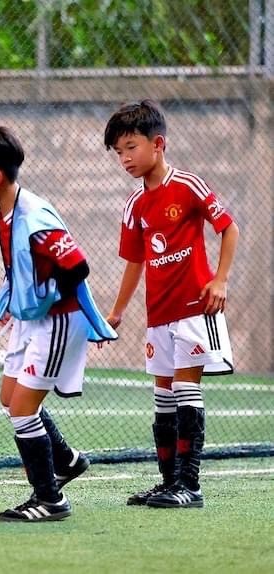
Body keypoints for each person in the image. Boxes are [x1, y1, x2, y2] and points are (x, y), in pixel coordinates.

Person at [0, 126, 117, 522]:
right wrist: (19, 299)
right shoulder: (6, 213)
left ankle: (50, 499)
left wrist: (46, 299)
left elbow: (76, 266)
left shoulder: (33, 217)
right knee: (9, 398)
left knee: (23, 408)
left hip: (56, 321)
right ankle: (68, 460)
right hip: (32, 321)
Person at [104, 100, 239, 509]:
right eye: (118, 152)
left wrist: (220, 280)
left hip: (195, 309)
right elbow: (134, 262)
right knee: (163, 398)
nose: (125, 158)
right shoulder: (134, 205)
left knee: (184, 389)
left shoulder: (188, 186)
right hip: (157, 315)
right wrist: (117, 311)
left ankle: (190, 485)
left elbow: (228, 228)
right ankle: (168, 483)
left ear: (157, 144)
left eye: (131, 147)